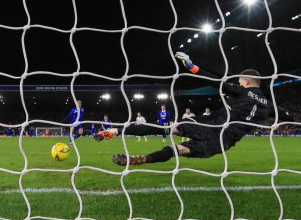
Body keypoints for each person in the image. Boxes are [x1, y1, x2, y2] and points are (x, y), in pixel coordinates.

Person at [94, 52, 293, 166]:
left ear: (246, 81)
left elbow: (216, 82)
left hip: (210, 124)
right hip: (222, 143)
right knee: (176, 150)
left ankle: (115, 130)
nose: (238, 82)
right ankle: (144, 159)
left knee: (165, 129)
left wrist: (192, 67)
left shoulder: (243, 92)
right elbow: (285, 114)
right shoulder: (268, 106)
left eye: (240, 80)